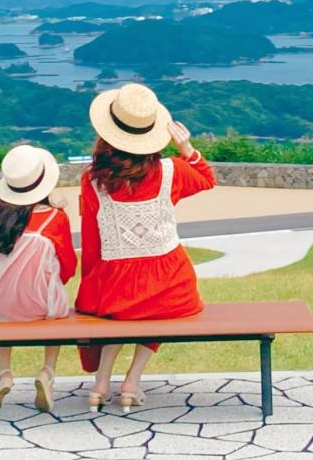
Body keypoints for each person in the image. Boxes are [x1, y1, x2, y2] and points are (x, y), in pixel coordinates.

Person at [75, 81, 216, 412]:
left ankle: (100, 383)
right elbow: (206, 178)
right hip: (172, 284)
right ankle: (132, 380)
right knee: (155, 307)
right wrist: (187, 148)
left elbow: (92, 239)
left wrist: (93, 283)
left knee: (122, 312)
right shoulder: (173, 171)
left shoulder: (92, 180)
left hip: (115, 279)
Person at [0, 144, 76, 413]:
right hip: (39, 305)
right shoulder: (56, 218)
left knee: (3, 300)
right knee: (55, 312)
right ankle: (47, 372)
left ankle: (4, 373)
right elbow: (68, 264)